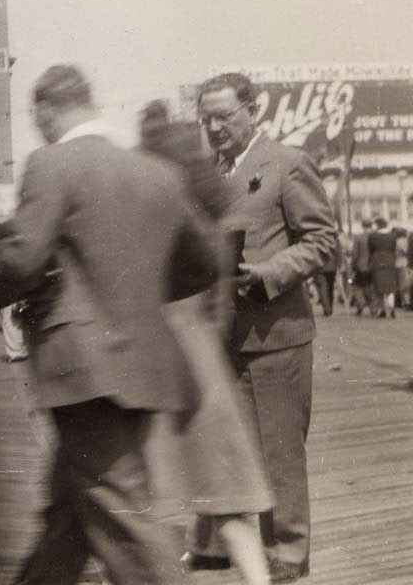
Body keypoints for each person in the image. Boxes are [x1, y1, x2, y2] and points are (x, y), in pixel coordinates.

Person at [0, 65, 218, 584]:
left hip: (82, 369)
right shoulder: (156, 172)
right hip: (143, 366)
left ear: (45, 109)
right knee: (70, 518)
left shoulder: (52, 163)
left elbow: (25, 258)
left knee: (124, 520)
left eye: (37, 117)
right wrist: (137, 297)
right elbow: (205, 262)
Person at [189, 72, 337, 583]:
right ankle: (211, 544)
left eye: (224, 117)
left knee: (278, 453)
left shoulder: (287, 165)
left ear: (254, 110)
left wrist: (267, 272)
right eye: (205, 118)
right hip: (219, 335)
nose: (213, 127)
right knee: (219, 444)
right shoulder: (208, 174)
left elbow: (322, 242)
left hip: (275, 334)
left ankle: (287, 556)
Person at [139, 101, 272, 585]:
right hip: (203, 358)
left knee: (149, 494)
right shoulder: (214, 216)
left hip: (159, 359)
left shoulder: (161, 216)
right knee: (229, 490)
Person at [368, 217, 398, 318]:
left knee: (378, 287)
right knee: (390, 286)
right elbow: (394, 249)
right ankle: (391, 307)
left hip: (377, 261)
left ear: (377, 225)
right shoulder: (393, 236)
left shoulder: (372, 236)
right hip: (390, 261)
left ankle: (382, 310)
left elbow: (370, 249)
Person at [351, 219, 373, 315]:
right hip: (372, 265)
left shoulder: (358, 237)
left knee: (357, 286)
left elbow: (355, 254)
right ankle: (373, 306)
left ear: (362, 226)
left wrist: (353, 264)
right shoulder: (374, 236)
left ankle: (361, 304)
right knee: (369, 286)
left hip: (361, 265)